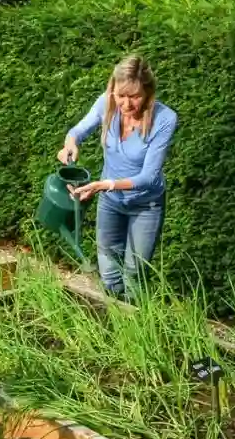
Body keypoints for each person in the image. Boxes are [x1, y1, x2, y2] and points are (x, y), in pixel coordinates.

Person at [57, 55, 177, 298]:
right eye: (121, 95)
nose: (126, 103)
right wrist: (70, 144)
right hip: (111, 203)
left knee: (134, 274)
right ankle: (114, 323)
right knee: (109, 272)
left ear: (148, 92)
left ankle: (139, 325)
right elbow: (78, 130)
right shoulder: (106, 103)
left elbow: (149, 177)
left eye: (134, 96)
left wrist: (107, 184)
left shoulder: (164, 119)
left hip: (146, 205)